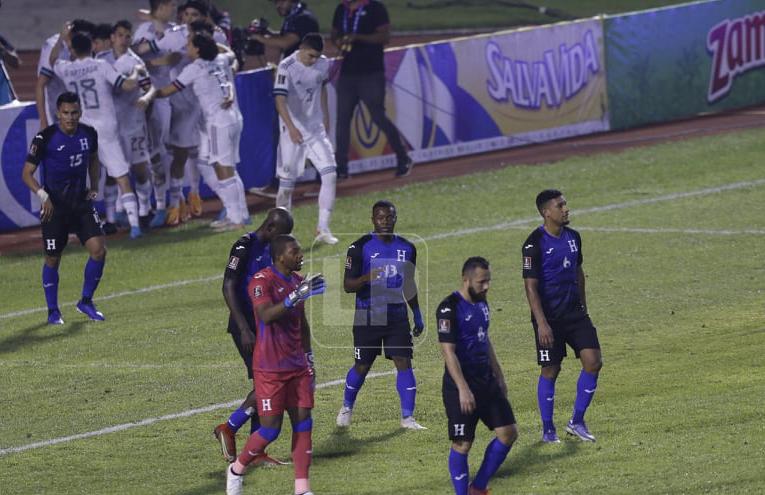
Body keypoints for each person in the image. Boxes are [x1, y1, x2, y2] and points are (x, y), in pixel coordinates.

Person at [226, 235, 325, 495]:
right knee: (270, 429)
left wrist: (309, 358)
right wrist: (295, 296)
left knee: (303, 421)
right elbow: (266, 315)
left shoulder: (298, 281)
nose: (301, 254)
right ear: (281, 256)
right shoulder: (262, 281)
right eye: (295, 251)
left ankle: (302, 489)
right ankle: (237, 469)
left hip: (297, 365)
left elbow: (301, 324)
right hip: (270, 367)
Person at [213, 207, 294, 465]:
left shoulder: (272, 249)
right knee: (268, 383)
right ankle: (229, 428)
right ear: (270, 228)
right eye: (280, 235)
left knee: (268, 383)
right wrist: (244, 328)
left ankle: (255, 450)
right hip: (247, 327)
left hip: (265, 325)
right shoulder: (244, 246)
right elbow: (228, 287)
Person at [522, 189, 603, 443]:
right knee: (551, 369)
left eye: (565, 204)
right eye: (560, 205)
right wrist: (542, 323)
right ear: (547, 212)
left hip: (575, 314)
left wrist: (583, 308)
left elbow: (579, 272)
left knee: (593, 362)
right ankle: (548, 430)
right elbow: (530, 287)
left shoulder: (574, 238)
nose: (566, 209)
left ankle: (577, 421)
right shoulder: (533, 244)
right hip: (549, 319)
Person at [336, 200, 425, 430]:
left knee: (403, 362)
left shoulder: (408, 248)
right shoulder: (359, 247)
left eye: (389, 217)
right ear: (373, 219)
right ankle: (346, 407)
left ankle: (408, 418)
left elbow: (408, 283)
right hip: (368, 316)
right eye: (380, 217)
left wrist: (416, 313)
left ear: (395, 218)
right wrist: (367, 278)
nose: (385, 221)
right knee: (362, 365)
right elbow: (347, 285)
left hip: (397, 315)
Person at [20, 92, 107, 324]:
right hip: (55, 208)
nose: (70, 117)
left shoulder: (89, 134)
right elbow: (26, 174)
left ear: (80, 112)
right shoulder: (44, 138)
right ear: (58, 113)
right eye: (66, 113)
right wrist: (42, 195)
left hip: (80, 203)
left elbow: (94, 159)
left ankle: (86, 301)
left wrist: (94, 185)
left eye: (74, 113)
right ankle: (53, 311)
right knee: (52, 259)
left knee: (99, 250)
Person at [50, 28, 144, 239]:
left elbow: (53, 59)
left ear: (73, 50)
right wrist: (137, 71)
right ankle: (135, 226)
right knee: (120, 176)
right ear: (92, 47)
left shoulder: (66, 69)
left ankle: (79, 227)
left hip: (81, 131)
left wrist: (62, 38)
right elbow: (128, 85)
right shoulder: (101, 66)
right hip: (106, 127)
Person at [148, 32, 249, 231]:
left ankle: (236, 219)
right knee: (225, 167)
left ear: (198, 49)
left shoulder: (194, 68)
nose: (187, 47)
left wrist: (149, 93)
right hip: (234, 118)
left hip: (218, 121)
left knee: (224, 169)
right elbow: (231, 56)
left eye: (190, 45)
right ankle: (239, 214)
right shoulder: (220, 59)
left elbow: (168, 90)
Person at [438, 257, 518, 495]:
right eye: (482, 282)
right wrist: (463, 388)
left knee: (508, 433)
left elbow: (485, 340)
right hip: (461, 385)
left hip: (486, 381)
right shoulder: (449, 308)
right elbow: (448, 352)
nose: (487, 287)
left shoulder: (483, 304)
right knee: (462, 444)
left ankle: (479, 487)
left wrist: (499, 376)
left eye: (488, 281)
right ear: (466, 280)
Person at [331, 0, 413, 179]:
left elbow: (384, 38)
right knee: (342, 121)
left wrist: (358, 37)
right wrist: (340, 42)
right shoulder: (341, 8)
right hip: (347, 74)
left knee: (378, 116)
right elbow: (334, 33)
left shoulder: (375, 7)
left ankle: (403, 157)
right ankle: (341, 167)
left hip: (371, 72)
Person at [247, 0, 319, 200]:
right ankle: (282, 183)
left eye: (280, 1)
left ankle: (286, 184)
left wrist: (259, 38)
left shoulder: (303, 18)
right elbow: (286, 39)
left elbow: (288, 42)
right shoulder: (295, 17)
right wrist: (268, 33)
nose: (277, 5)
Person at [273, 33, 338, 245]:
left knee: (330, 174)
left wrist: (326, 118)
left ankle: (323, 228)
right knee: (286, 185)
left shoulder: (323, 64)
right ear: (301, 48)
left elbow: (322, 90)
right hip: (292, 130)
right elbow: (280, 100)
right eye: (310, 55)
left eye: (317, 56)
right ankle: (281, 233)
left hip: (315, 129)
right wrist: (291, 127)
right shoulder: (286, 66)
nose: (313, 60)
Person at [98, 20, 155, 228]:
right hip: (110, 126)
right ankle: (111, 218)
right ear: (112, 38)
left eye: (127, 36)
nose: (124, 39)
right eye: (120, 35)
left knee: (140, 170)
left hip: (133, 123)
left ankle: (144, 209)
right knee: (113, 173)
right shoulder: (100, 61)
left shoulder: (136, 61)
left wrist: (146, 100)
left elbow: (150, 88)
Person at [35, 19, 95, 129]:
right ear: (71, 34)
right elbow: (41, 84)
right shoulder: (52, 46)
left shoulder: (85, 44)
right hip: (55, 106)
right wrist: (43, 121)